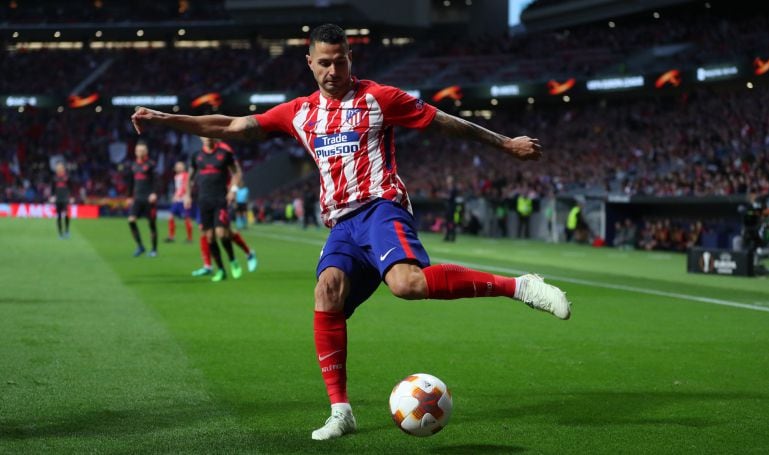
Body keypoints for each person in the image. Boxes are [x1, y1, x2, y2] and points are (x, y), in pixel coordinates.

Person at [131, 23, 571, 440]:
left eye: (339, 61)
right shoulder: (299, 113)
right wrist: (166, 119)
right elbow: (231, 125)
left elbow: (442, 120)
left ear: (349, 58)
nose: (332, 71)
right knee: (327, 294)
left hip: (381, 209)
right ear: (309, 62)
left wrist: (505, 143)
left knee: (407, 284)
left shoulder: (381, 98)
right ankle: (341, 411)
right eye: (323, 62)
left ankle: (520, 287)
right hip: (342, 224)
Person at [185, 137, 257, 282]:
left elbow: (236, 172)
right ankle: (221, 270)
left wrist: (233, 190)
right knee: (209, 237)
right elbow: (190, 177)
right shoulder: (196, 156)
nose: (206, 137)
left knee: (222, 233)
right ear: (200, 137)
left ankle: (233, 260)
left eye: (209, 134)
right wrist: (187, 195)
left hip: (220, 199)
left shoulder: (224, 153)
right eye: (203, 135)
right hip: (203, 200)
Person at [126, 141, 158, 257]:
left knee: (151, 224)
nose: (139, 152)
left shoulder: (151, 164)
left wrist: (154, 193)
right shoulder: (133, 165)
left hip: (149, 198)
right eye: (137, 150)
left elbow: (156, 180)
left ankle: (154, 249)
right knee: (131, 220)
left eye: (141, 150)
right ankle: (140, 246)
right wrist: (129, 196)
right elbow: (130, 182)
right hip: (137, 198)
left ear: (146, 152)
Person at [165, 161, 194, 243]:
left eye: (180, 166)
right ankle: (171, 236)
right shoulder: (176, 176)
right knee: (170, 216)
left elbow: (185, 186)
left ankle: (190, 238)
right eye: (177, 166)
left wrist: (178, 195)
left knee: (187, 218)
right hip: (177, 200)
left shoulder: (185, 175)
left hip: (184, 199)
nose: (178, 167)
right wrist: (175, 195)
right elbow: (178, 188)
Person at [50, 161, 73, 239]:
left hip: (65, 198)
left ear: (63, 169)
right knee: (59, 216)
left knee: (66, 214)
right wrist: (52, 196)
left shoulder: (67, 177)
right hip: (58, 199)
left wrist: (71, 196)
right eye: (58, 168)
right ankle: (60, 233)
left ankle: (67, 231)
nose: (59, 170)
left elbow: (71, 187)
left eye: (61, 168)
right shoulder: (54, 178)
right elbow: (52, 189)